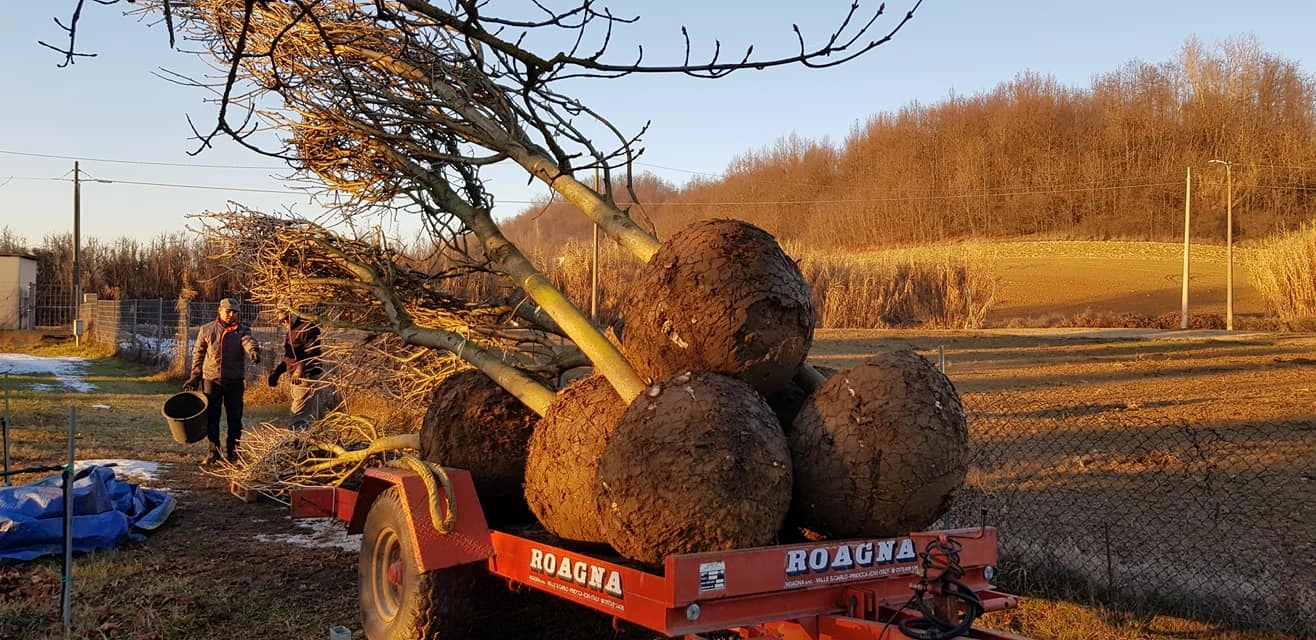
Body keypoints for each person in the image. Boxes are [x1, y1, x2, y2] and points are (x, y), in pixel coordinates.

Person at [184, 298, 261, 464]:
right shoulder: (206, 330)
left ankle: (233, 452)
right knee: (212, 417)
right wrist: (194, 377)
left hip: (234, 381)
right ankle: (214, 452)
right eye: (228, 311)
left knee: (235, 418)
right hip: (212, 380)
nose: (231, 314)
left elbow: (248, 342)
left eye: (234, 312)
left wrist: (253, 351)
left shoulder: (242, 331)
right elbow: (198, 354)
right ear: (220, 310)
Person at [268, 310, 339, 428]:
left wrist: (299, 369)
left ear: (294, 314)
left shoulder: (306, 328)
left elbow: (311, 351)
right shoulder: (292, 331)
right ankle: (307, 440)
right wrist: (278, 372)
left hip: (307, 376)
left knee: (299, 416)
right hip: (299, 377)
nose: (284, 322)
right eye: (281, 321)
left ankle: (296, 442)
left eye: (287, 318)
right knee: (308, 415)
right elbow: (290, 357)